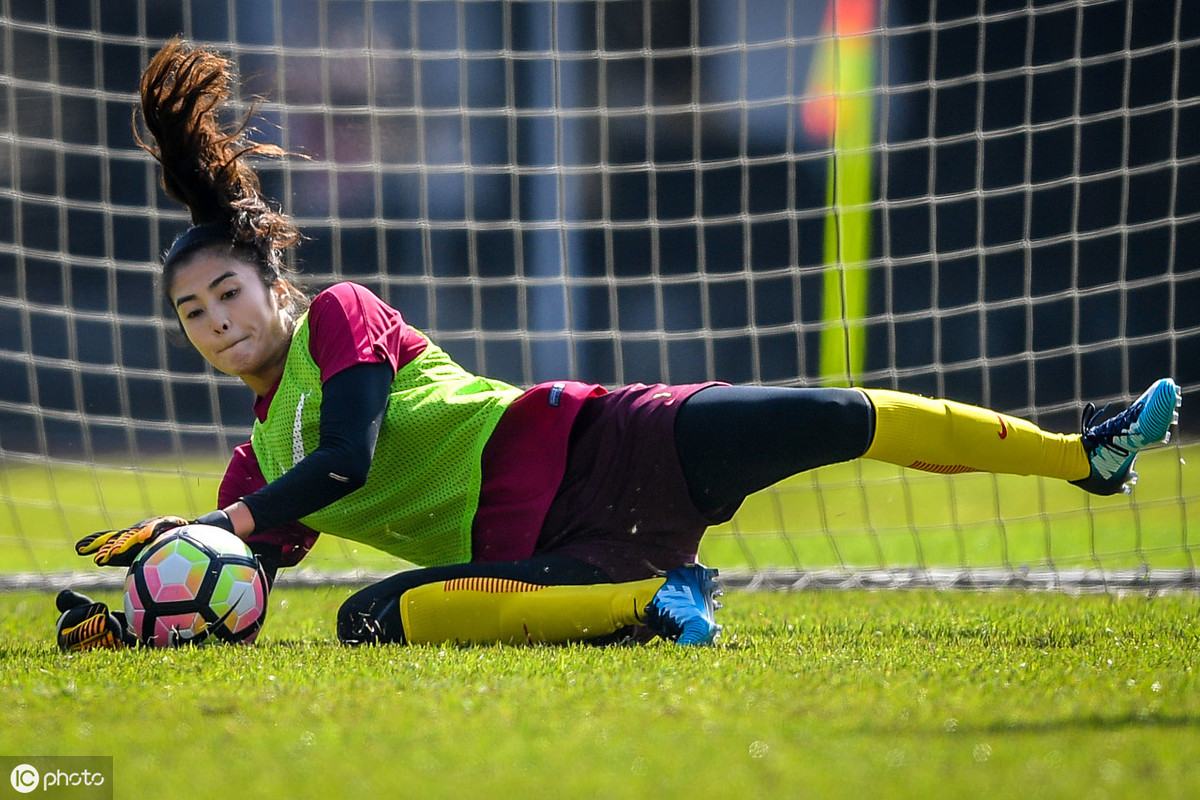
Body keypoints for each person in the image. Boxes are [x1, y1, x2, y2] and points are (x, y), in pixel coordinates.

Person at [56, 39, 1182, 651]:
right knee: (370, 616)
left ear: (271, 280)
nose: (215, 323)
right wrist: (132, 612)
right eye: (193, 314)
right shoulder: (253, 473)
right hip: (548, 559)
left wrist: (223, 522)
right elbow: (234, 587)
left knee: (836, 414)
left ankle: (1084, 455)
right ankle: (658, 601)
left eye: (226, 293)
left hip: (606, 440)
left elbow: (345, 455)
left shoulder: (342, 315)